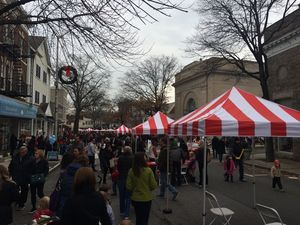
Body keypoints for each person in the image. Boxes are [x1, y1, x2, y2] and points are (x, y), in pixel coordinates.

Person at [126, 152, 157, 225]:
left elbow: (128, 186)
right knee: (145, 219)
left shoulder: (131, 171)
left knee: (139, 218)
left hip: (135, 198)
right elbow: (153, 185)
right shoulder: (148, 170)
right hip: (146, 198)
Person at [8, 145, 32, 210]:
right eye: (21, 151)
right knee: (15, 190)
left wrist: (30, 176)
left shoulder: (30, 158)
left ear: (26, 152)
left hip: (25, 178)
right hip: (16, 176)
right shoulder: (15, 157)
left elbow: (32, 168)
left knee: (24, 191)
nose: (23, 153)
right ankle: (17, 201)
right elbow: (11, 166)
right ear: (20, 151)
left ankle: (22, 204)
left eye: (24, 152)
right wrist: (10, 173)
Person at [117, 146, 133, 218]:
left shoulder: (120, 158)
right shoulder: (132, 158)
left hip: (121, 178)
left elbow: (118, 168)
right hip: (129, 178)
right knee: (128, 196)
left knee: (121, 196)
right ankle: (126, 212)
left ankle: (122, 211)